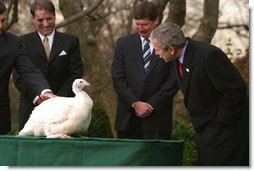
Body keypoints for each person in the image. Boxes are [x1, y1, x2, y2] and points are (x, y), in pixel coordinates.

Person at [150, 22, 249, 165]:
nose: (156, 53)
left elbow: (236, 89)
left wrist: (221, 122)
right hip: (207, 133)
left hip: (226, 133)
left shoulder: (209, 55)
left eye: (157, 50)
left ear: (171, 49)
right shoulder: (176, 59)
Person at [111, 2, 178, 140]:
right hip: (127, 120)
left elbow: (174, 79)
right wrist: (135, 104)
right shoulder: (123, 44)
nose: (140, 28)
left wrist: (151, 105)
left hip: (157, 120)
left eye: (145, 24)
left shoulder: (170, 44)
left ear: (156, 21)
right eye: (137, 24)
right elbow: (118, 78)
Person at [12, 0, 83, 130]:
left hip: (64, 110)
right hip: (31, 108)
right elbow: (18, 77)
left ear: (55, 16)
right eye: (40, 20)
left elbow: (75, 73)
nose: (45, 24)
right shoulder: (21, 42)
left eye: (49, 18)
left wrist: (57, 100)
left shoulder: (71, 41)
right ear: (33, 19)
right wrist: (37, 98)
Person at [0, 1, 55, 134]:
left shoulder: (13, 43)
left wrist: (44, 91)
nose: (0, 26)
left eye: (2, 20)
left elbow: (28, 70)